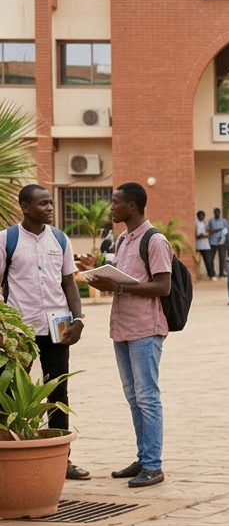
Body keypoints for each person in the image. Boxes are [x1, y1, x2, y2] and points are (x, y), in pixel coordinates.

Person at [80, 183, 172, 488]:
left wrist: (117, 286)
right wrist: (96, 269)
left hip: (145, 329)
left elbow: (162, 287)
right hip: (122, 327)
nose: (111, 207)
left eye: (115, 202)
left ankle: (153, 466)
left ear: (131, 206)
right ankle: (143, 458)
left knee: (148, 398)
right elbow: (123, 273)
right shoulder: (122, 239)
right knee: (134, 397)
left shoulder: (155, 240)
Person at [1, 185, 89, 479]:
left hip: (57, 328)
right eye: (43, 203)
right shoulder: (7, 240)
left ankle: (61, 460)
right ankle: (13, 455)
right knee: (13, 394)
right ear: (25, 207)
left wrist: (78, 319)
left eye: (51, 203)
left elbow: (69, 284)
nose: (50, 207)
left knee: (58, 391)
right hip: (20, 332)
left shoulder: (60, 239)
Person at [193, 210, 215, 280]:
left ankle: (211, 275)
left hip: (206, 245)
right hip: (198, 245)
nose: (201, 217)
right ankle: (196, 275)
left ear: (204, 216)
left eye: (202, 216)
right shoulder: (196, 223)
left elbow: (209, 232)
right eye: (199, 216)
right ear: (197, 216)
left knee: (208, 261)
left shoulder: (206, 223)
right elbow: (195, 234)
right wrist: (200, 236)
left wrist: (206, 234)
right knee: (196, 262)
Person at [207, 207, 227, 277]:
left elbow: (226, 231)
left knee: (222, 258)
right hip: (213, 242)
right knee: (211, 258)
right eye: (215, 212)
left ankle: (221, 273)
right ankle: (212, 273)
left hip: (221, 242)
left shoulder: (223, 221)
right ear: (214, 213)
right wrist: (215, 230)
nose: (217, 213)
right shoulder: (211, 221)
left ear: (220, 213)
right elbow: (208, 229)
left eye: (218, 212)